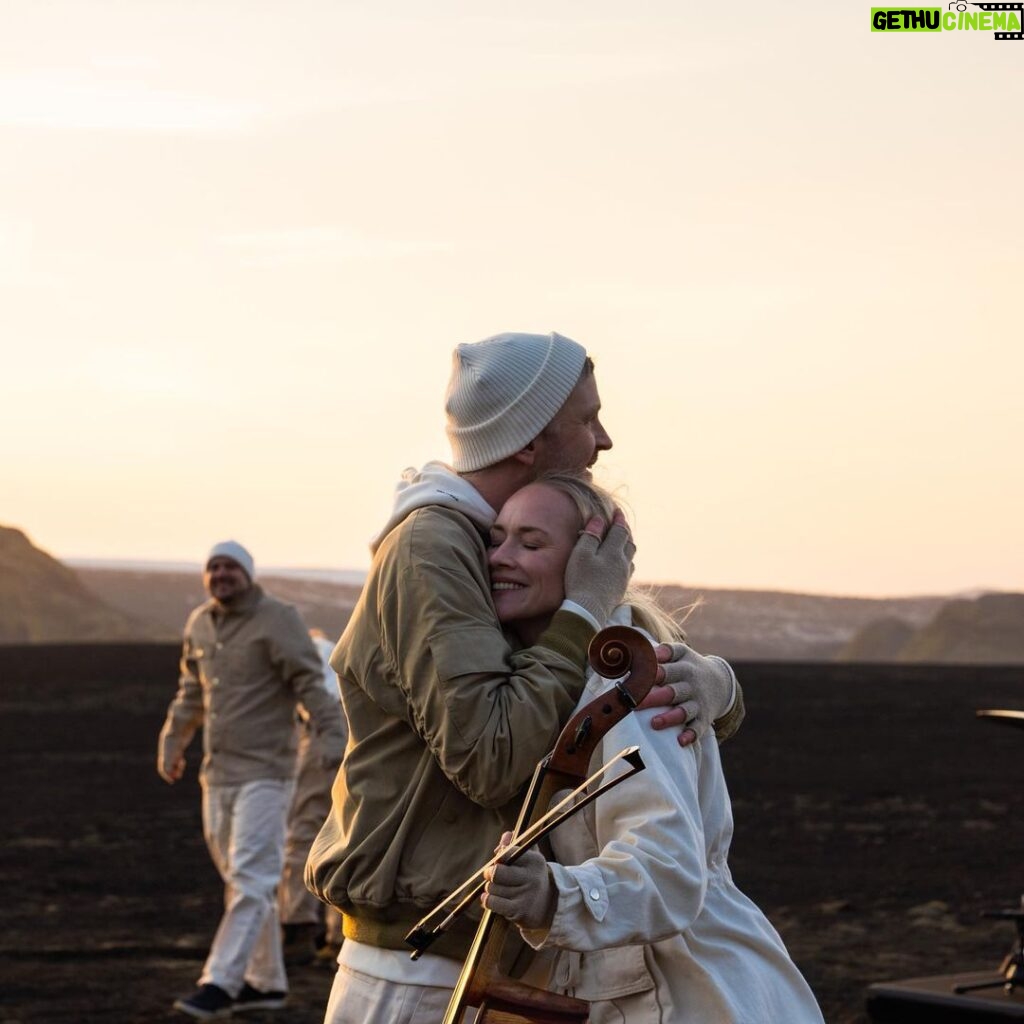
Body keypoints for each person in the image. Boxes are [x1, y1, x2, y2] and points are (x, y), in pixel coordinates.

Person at [306, 331, 745, 1024]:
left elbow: (584, 699)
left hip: (484, 956)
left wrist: (716, 687)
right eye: (585, 418)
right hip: (412, 970)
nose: (603, 440)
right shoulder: (434, 544)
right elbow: (494, 755)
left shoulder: (480, 542)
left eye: (530, 543)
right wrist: (584, 609)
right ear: (529, 443)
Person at [481, 475, 824, 1023]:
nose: (501, 557)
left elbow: (667, 867)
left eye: (531, 542)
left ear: (589, 564)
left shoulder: (633, 689)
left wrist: (554, 895)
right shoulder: (544, 680)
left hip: (689, 994)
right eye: (495, 539)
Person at [158, 541, 347, 1020]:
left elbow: (310, 683)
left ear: (247, 573)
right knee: (242, 879)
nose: (220, 575)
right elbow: (190, 690)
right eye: (213, 567)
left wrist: (331, 738)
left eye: (229, 567)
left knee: (251, 877)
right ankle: (265, 983)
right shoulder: (200, 623)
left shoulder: (278, 618)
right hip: (217, 772)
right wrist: (172, 740)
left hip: (267, 771)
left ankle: (220, 981)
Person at [280, 628, 347, 966]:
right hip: (354, 731)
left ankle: (298, 927)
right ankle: (338, 937)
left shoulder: (299, 651)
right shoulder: (330, 648)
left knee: (306, 829)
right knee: (346, 833)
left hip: (325, 732)